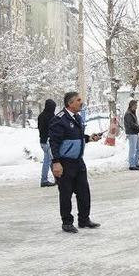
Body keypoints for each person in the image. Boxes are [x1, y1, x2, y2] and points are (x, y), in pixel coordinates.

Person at [49, 91, 102, 233]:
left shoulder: (77, 118)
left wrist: (89, 138)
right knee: (66, 193)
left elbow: (76, 138)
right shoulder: (59, 120)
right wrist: (56, 162)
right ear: (70, 103)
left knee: (84, 192)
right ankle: (67, 222)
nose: (81, 102)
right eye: (78, 100)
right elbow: (53, 143)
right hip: (64, 163)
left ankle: (84, 219)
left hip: (78, 161)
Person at [37, 99, 57, 187]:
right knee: (48, 161)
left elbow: (39, 128)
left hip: (42, 141)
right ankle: (44, 180)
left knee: (51, 160)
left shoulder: (41, 116)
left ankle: (57, 177)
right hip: (48, 141)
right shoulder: (51, 117)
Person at [124, 100, 139, 170]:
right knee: (132, 150)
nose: (136, 107)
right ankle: (132, 165)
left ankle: (135, 163)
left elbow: (134, 123)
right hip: (131, 134)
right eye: (135, 105)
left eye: (136, 105)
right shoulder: (128, 114)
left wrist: (138, 127)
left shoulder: (132, 113)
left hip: (135, 133)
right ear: (131, 105)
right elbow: (131, 124)